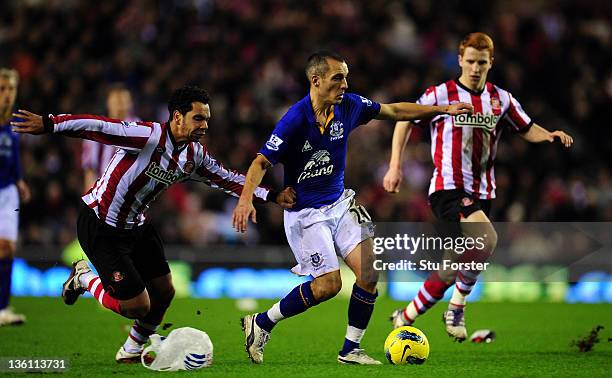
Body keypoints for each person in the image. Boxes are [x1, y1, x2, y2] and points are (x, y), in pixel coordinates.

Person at [11, 85, 295, 362]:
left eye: (207, 119)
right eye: (198, 118)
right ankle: (84, 278)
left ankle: (131, 349)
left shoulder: (193, 155)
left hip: (136, 226)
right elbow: (98, 126)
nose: (205, 125)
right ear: (177, 117)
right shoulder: (147, 135)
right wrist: (49, 124)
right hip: (101, 223)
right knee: (137, 305)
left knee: (165, 292)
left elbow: (227, 178)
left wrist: (270, 195)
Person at [232, 51, 473, 364]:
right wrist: (246, 198)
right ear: (315, 81)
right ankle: (262, 323)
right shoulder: (294, 119)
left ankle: (351, 350)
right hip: (306, 214)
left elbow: (394, 110)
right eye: (337, 78)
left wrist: (441, 109)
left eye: (345, 77)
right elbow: (261, 161)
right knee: (328, 286)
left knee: (371, 271)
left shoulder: (350, 106)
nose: (345, 84)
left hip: (340, 203)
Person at [383, 32, 573, 341]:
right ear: (460, 60)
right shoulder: (439, 94)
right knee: (486, 239)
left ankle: (405, 316)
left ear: (490, 63)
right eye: (470, 61)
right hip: (448, 190)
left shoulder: (501, 99)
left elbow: (526, 127)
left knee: (449, 269)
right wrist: (394, 166)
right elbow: (404, 119)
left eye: (481, 63)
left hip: (483, 194)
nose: (475, 68)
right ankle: (457, 308)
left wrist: (548, 134)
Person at [0, 68, 31, 327]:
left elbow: (13, 155)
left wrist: (20, 180)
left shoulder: (12, 122)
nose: (7, 95)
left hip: (8, 191)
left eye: (10, 89)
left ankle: (3, 308)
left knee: (8, 248)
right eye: (2, 89)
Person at [82, 84, 136, 191]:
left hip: (130, 194)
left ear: (131, 104)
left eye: (123, 102)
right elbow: (90, 169)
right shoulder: (97, 128)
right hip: (103, 193)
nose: (120, 107)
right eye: (116, 102)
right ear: (108, 103)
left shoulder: (141, 129)